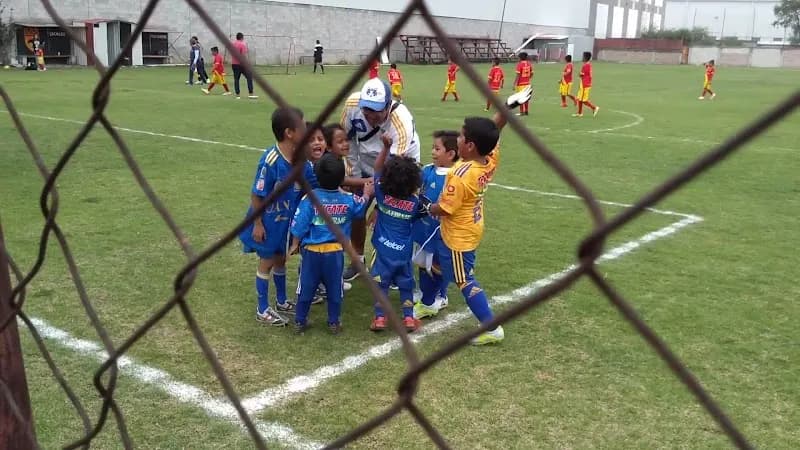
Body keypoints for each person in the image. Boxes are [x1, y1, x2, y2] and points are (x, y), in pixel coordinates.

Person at [425, 86, 531, 345]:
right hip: (468, 225)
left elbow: (445, 208)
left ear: (469, 145)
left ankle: (492, 328)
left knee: (464, 279)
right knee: (435, 264)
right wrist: (508, 106)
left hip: (458, 237)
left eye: (460, 137)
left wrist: (426, 207)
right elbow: (494, 131)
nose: (457, 139)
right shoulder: (489, 157)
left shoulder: (459, 176)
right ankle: (429, 303)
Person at [238, 107, 318, 327]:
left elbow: (314, 185)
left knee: (282, 258)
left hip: (288, 219)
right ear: (289, 133)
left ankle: (282, 301)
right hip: (268, 221)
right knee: (268, 261)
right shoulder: (271, 161)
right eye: (301, 126)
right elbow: (256, 194)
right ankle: (262, 308)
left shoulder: (301, 158)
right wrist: (257, 223)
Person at [339, 78, 421, 281]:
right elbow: (347, 142)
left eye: (375, 111)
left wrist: (379, 206)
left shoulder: (401, 122)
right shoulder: (351, 105)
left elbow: (394, 171)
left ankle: (395, 266)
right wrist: (355, 178)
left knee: (393, 216)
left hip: (399, 170)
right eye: (366, 109)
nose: (369, 115)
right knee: (357, 211)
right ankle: (358, 259)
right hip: (365, 165)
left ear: (387, 106)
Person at [290, 154, 372, 334]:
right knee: (335, 289)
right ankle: (333, 323)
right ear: (342, 179)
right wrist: (366, 193)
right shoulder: (348, 199)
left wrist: (295, 243)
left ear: (317, 176)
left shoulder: (310, 199)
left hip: (311, 253)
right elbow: (360, 209)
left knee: (306, 287)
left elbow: (299, 223)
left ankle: (299, 321)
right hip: (334, 253)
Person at [368, 134, 424, 332]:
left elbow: (376, 169)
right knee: (406, 285)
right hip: (403, 252)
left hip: (383, 250)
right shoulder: (414, 204)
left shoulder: (382, 196)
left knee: (380, 285)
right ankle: (409, 319)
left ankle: (380, 318)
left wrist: (385, 148)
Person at [412, 130, 459, 319]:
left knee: (438, 265)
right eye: (433, 147)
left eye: (437, 148)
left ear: (451, 154)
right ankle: (429, 295)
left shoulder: (455, 177)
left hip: (441, 230)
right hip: (423, 226)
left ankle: (435, 297)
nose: (433, 151)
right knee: (424, 263)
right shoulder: (428, 170)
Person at [573, 51, 599, 117]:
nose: (582, 58)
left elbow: (582, 74)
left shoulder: (586, 65)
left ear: (585, 57)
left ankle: (594, 108)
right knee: (580, 99)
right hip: (584, 84)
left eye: (583, 56)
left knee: (583, 100)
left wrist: (579, 74)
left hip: (585, 84)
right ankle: (579, 113)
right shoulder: (587, 65)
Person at [232, 32, 257, 99]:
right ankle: (251, 93)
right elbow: (243, 55)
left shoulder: (233, 44)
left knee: (236, 79)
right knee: (249, 77)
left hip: (234, 64)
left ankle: (237, 95)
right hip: (241, 64)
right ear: (242, 37)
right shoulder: (242, 44)